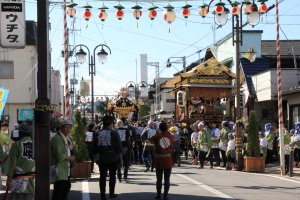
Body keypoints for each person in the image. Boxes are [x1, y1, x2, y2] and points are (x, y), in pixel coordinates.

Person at [94, 115, 123, 200]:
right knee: (112, 176)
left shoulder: (98, 133)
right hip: (112, 157)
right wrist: (121, 160)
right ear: (110, 123)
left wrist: (96, 158)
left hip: (101, 157)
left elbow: (94, 147)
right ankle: (111, 193)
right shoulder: (114, 132)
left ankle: (102, 195)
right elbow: (118, 148)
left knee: (102, 177)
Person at [4, 123, 35, 200]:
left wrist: (8, 180)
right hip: (33, 182)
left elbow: (12, 164)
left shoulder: (17, 144)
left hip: (18, 182)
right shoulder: (36, 145)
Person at [50, 119, 75, 200]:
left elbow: (69, 151)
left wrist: (72, 161)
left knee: (65, 189)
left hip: (65, 169)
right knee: (59, 192)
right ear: (61, 128)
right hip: (59, 170)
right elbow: (59, 156)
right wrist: (70, 158)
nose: (68, 129)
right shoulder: (57, 139)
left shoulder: (67, 138)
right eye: (66, 127)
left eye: (69, 128)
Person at [150, 121, 174, 200]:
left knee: (159, 179)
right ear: (167, 128)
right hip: (168, 159)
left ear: (159, 128)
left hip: (159, 159)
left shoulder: (157, 136)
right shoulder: (170, 136)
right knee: (167, 179)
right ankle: (165, 196)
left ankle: (158, 195)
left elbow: (150, 140)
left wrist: (157, 132)